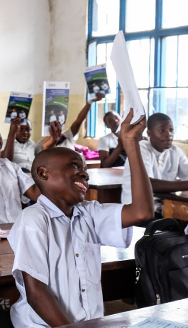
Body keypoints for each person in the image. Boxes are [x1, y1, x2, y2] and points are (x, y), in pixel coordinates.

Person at [8, 109, 153, 327]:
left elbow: (142, 212)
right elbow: (36, 293)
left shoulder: (88, 212)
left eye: (84, 169)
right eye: (74, 166)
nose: (84, 173)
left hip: (88, 322)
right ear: (43, 173)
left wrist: (131, 143)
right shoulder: (34, 219)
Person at [121, 113, 188, 217]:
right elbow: (149, 184)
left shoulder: (175, 151)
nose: (168, 134)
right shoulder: (140, 149)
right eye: (162, 130)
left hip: (162, 209)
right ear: (149, 133)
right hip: (137, 212)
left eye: (171, 130)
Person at [35, 93, 104, 155]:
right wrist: (48, 146)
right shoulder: (41, 145)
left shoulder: (66, 137)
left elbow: (79, 121)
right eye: (53, 126)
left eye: (59, 124)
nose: (56, 127)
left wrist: (90, 102)